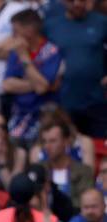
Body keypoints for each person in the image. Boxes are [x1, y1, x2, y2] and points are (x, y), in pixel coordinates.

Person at [44, 0, 107, 137]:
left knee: (101, 149)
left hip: (96, 99)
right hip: (63, 102)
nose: (78, 3)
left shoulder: (101, 22)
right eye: (72, 1)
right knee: (70, 149)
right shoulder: (51, 26)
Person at [2, 9, 62, 147]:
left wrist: (24, 57)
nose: (13, 36)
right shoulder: (15, 51)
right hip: (18, 118)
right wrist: (38, 83)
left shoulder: (51, 51)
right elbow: (7, 85)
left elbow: (41, 89)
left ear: (29, 30)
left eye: (16, 31)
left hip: (44, 119)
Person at [38, 112, 93, 210]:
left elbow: (84, 204)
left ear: (66, 141)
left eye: (53, 141)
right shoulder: (39, 170)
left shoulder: (84, 172)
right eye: (44, 141)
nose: (47, 146)